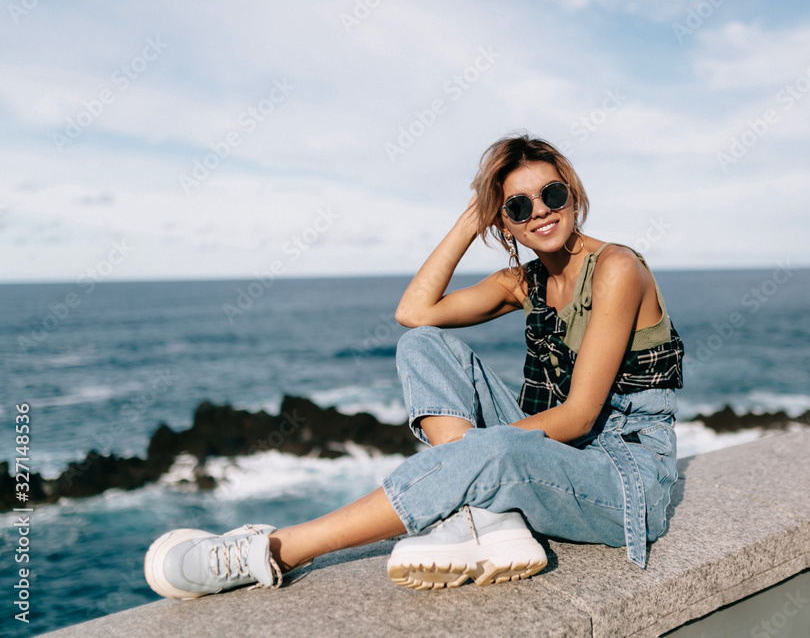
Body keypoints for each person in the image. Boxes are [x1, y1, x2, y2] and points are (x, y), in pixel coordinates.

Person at [144, 133, 684, 599]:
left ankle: (273, 551)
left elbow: (581, 417)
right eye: (517, 207)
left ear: (573, 195)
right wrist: (472, 219)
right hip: (557, 454)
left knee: (487, 451)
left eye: (552, 194)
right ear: (505, 221)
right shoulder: (523, 282)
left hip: (622, 474)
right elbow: (414, 314)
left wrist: (471, 457)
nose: (539, 210)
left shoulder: (617, 267)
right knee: (423, 345)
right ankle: (481, 519)